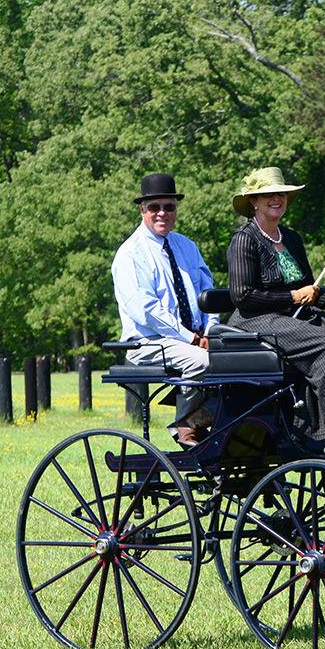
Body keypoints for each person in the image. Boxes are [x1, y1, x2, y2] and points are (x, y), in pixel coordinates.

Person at [225, 167, 325, 453]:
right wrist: (293, 296)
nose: (277, 199)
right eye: (268, 195)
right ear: (254, 202)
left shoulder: (291, 238)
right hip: (255, 320)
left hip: (293, 316)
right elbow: (243, 297)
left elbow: (308, 289)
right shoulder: (244, 240)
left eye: (282, 194)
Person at [111, 172, 218, 446]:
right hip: (147, 343)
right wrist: (192, 339)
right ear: (142, 210)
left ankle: (214, 425)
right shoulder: (130, 254)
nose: (162, 213)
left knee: (251, 362)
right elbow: (146, 311)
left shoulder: (187, 246)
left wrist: (210, 331)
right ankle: (185, 424)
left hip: (194, 338)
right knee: (204, 361)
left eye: (169, 207)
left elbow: (209, 295)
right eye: (154, 207)